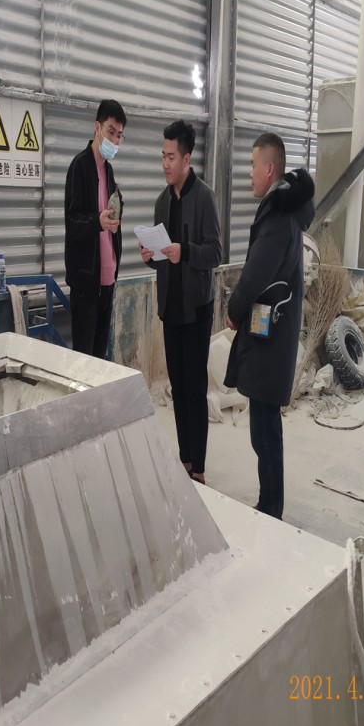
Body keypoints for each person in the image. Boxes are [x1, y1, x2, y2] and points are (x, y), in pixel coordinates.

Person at [224, 132, 314, 520]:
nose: (249, 172)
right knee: (264, 426)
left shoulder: (277, 218)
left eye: (252, 164)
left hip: (270, 335)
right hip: (273, 331)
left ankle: (271, 508)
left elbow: (256, 273)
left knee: (265, 431)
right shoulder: (284, 213)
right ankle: (269, 503)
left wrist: (235, 308)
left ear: (269, 169)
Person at [140, 120, 221, 484]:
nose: (165, 164)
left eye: (171, 157)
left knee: (194, 388)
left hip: (197, 308)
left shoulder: (204, 197)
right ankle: (185, 461)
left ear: (187, 159)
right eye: (163, 156)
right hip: (170, 308)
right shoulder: (161, 202)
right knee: (177, 386)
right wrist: (151, 256)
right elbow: (163, 257)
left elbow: (215, 252)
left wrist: (183, 251)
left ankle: (199, 469)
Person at [64, 99, 126, 358]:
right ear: (97, 127)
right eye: (111, 131)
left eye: (120, 135)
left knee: (101, 359)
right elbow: (72, 222)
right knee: (84, 359)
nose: (115, 140)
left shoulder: (109, 171)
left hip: (108, 278)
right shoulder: (79, 166)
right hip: (86, 282)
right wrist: (97, 222)